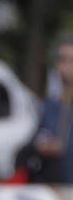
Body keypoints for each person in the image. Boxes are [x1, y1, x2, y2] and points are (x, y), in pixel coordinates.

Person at [30, 36, 73, 184]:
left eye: (71, 60)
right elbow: (39, 134)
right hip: (52, 186)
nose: (67, 66)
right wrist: (42, 144)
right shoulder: (51, 103)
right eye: (63, 59)